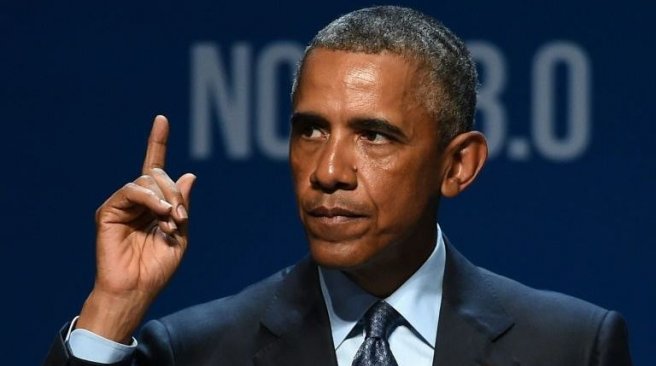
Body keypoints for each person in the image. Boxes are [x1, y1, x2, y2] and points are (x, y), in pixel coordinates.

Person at [44, 6, 632, 366]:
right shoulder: (194, 350)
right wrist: (112, 310)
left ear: (458, 166)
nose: (328, 171)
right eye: (310, 131)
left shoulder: (572, 347)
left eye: (374, 136)